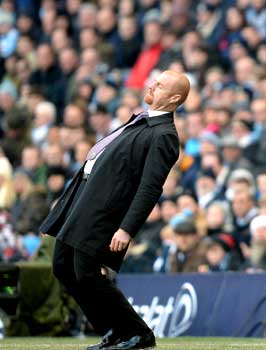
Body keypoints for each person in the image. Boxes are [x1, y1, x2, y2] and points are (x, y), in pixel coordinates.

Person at [40, 70, 190, 350]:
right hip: (84, 200)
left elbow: (150, 188)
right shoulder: (141, 121)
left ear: (174, 98)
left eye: (160, 85)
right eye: (154, 82)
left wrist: (126, 228)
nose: (152, 86)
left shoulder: (164, 135)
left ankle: (138, 332)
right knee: (62, 266)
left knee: (86, 273)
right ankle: (114, 329)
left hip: (105, 212)